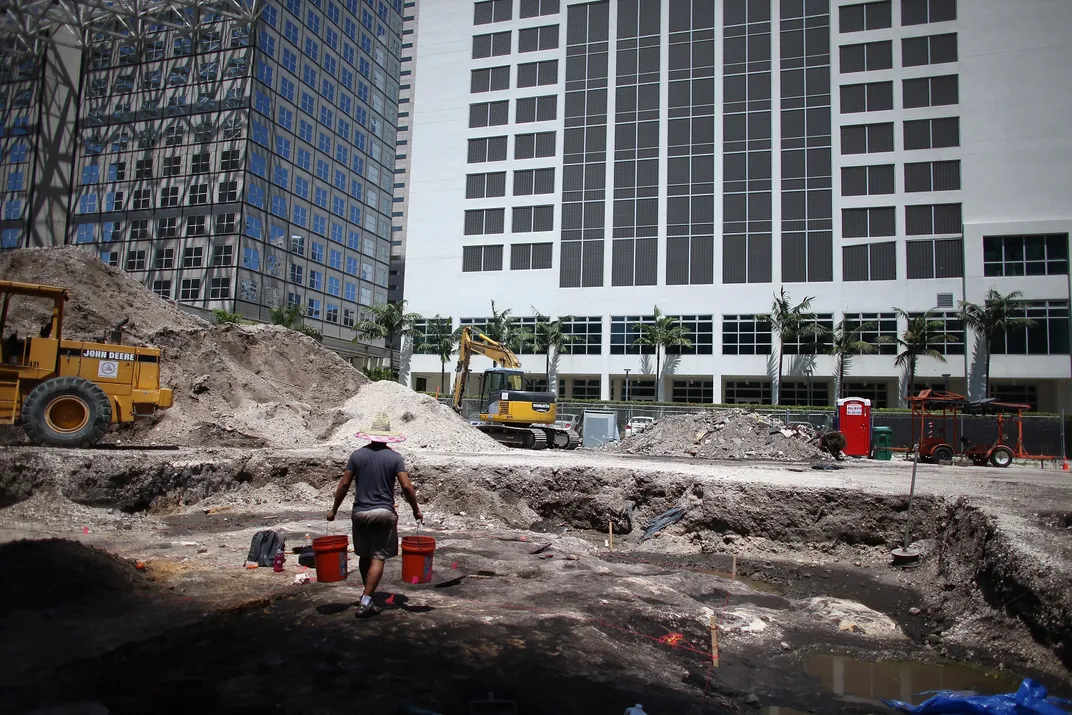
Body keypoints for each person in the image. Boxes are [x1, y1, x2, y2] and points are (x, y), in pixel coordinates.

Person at [327, 412, 422, 618]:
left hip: (360, 512)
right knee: (378, 556)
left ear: (370, 436)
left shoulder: (357, 455)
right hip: (384, 513)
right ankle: (367, 599)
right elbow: (406, 486)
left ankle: (366, 596)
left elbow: (344, 484)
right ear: (387, 437)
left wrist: (334, 509)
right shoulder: (395, 458)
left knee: (364, 556)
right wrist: (416, 509)